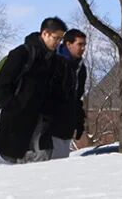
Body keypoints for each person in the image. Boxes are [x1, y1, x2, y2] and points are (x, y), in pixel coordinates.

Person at [0, 17, 68, 162]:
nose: (58, 42)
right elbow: (2, 84)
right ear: (45, 33)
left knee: (41, 161)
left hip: (40, 121)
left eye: (60, 39)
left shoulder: (54, 61)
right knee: (8, 161)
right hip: (15, 120)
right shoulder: (22, 54)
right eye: (56, 38)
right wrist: (13, 105)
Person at [47, 28, 88, 159]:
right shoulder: (52, 62)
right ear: (68, 44)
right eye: (79, 44)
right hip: (49, 126)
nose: (83, 48)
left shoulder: (81, 68)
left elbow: (77, 97)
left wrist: (79, 119)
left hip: (66, 127)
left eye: (84, 45)